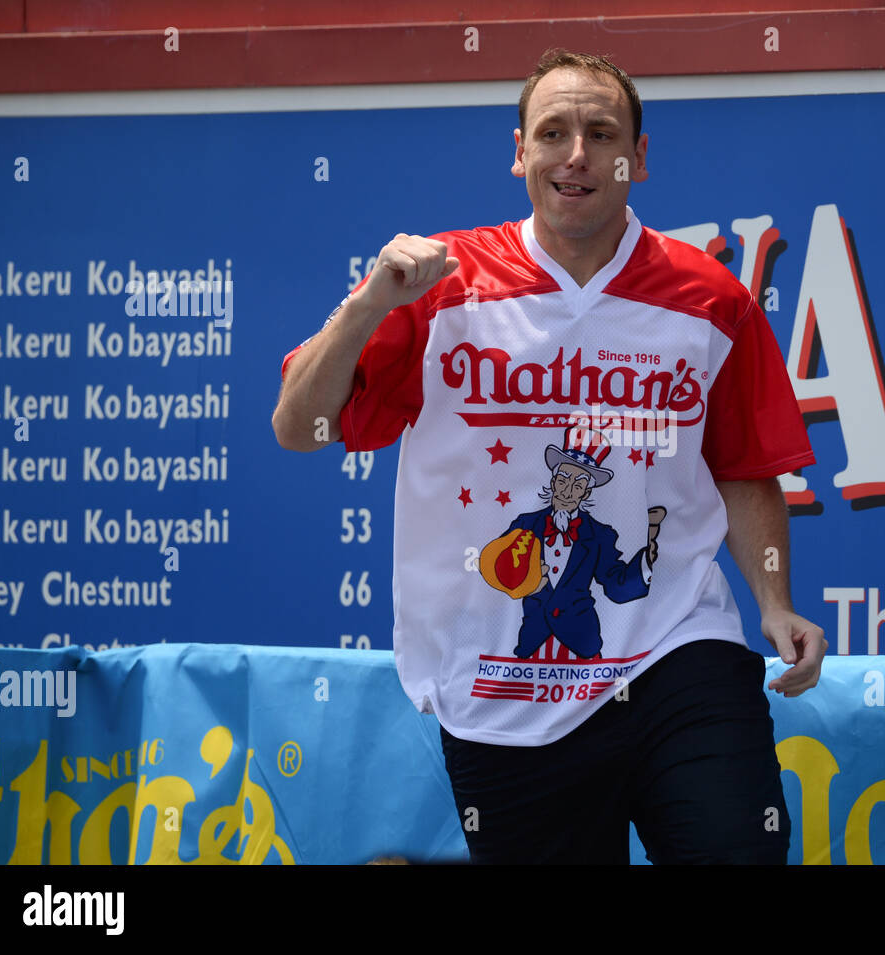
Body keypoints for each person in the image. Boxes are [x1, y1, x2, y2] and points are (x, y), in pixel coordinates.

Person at [272, 48, 827, 864]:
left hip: (677, 650)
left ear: (638, 158)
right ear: (520, 153)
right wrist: (367, 306)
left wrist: (773, 602)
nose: (577, 155)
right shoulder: (440, 288)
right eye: (554, 133)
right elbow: (299, 427)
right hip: (505, 684)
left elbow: (743, 463)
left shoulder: (711, 296)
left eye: (602, 134)